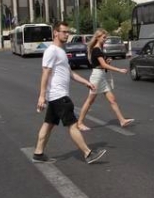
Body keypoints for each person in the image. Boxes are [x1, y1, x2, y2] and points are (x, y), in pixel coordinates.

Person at [33, 21, 107, 164]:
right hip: (59, 96)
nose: (67, 34)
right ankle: (88, 153)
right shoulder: (51, 51)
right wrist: (42, 96)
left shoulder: (61, 51)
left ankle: (38, 153)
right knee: (73, 125)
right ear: (55, 33)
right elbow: (45, 73)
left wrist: (86, 82)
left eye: (68, 32)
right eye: (64, 32)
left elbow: (70, 73)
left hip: (56, 96)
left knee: (48, 124)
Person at [76, 28, 134, 131]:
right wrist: (119, 69)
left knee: (112, 99)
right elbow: (102, 65)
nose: (105, 39)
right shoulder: (96, 49)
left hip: (101, 76)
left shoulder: (99, 49)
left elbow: (102, 64)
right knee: (90, 101)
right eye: (104, 37)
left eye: (105, 37)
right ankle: (79, 123)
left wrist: (107, 61)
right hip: (97, 77)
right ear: (98, 37)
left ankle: (122, 120)